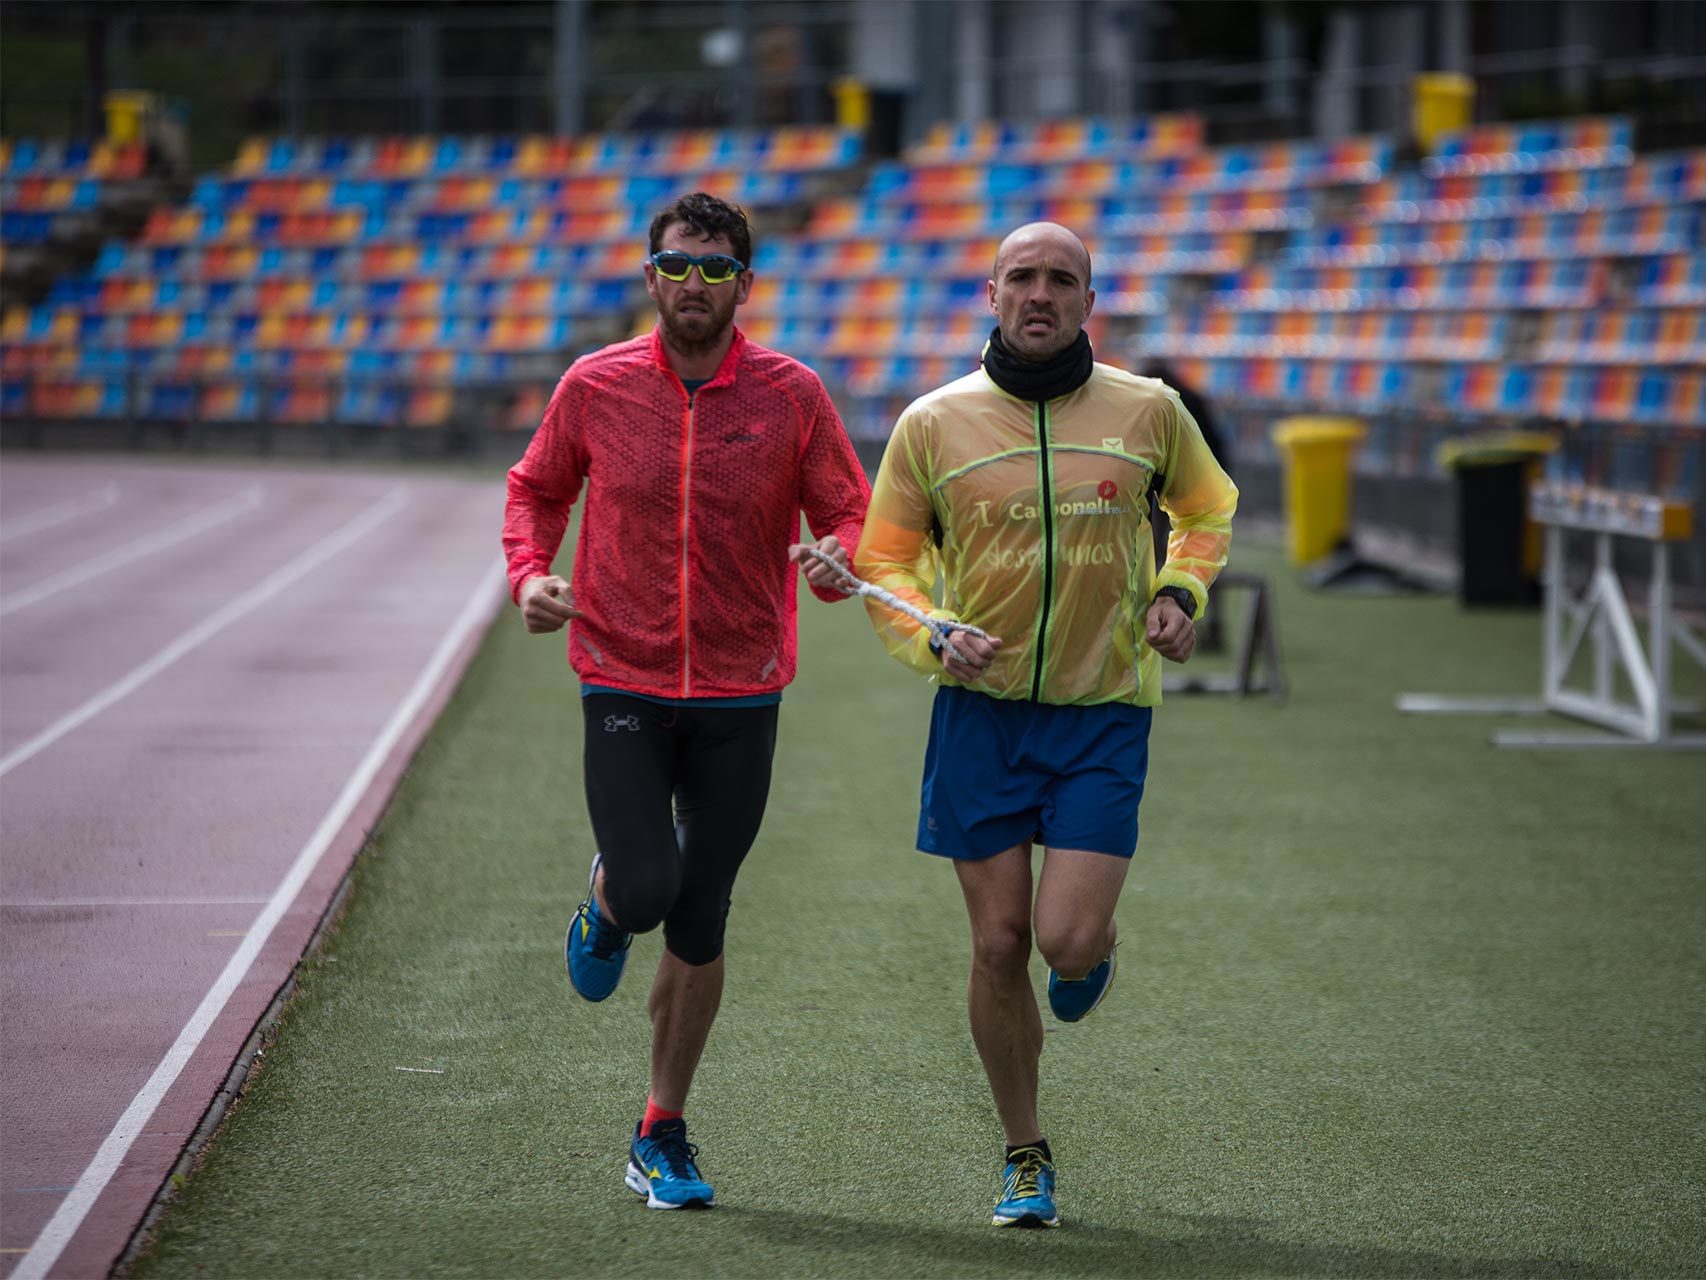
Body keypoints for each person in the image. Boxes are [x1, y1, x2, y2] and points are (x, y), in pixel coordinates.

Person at [853, 222, 1236, 1229]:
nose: (1038, 293)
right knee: (996, 945)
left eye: (1059, 279)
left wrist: (1179, 590)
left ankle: (1091, 947)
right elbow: (882, 561)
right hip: (978, 720)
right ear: (989, 292)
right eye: (1020, 276)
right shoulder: (931, 423)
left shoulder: (1148, 410)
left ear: (1086, 300)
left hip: (1101, 713)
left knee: (1061, 942)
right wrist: (935, 630)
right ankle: (1025, 1151)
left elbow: (1206, 510)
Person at [502, 192, 870, 1211]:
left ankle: (659, 1128)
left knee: (701, 918)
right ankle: (611, 894)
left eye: (715, 269)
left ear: (744, 285)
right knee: (653, 885)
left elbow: (848, 504)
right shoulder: (596, 383)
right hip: (619, 668)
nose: (694, 285)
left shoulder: (791, 395)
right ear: (650, 275)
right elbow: (535, 489)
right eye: (678, 265)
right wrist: (529, 576)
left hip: (742, 687)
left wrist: (839, 553)